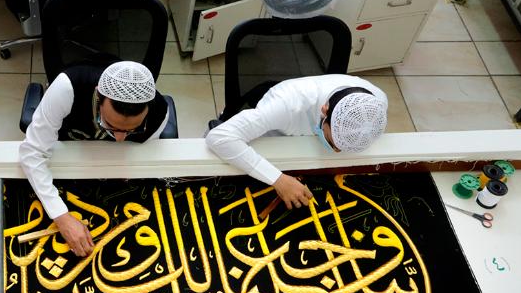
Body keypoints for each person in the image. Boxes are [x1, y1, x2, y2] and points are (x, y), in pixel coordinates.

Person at [20, 61, 169, 257]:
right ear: (98, 96)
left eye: (131, 130)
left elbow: (138, 155)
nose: (120, 139)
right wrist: (61, 217)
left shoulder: (159, 113)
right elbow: (32, 153)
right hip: (65, 154)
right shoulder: (66, 88)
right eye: (109, 125)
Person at [205, 75, 389, 210]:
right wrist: (278, 180)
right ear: (324, 111)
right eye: (333, 143)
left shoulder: (376, 103)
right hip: (272, 141)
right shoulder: (286, 105)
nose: (338, 152)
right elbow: (219, 137)